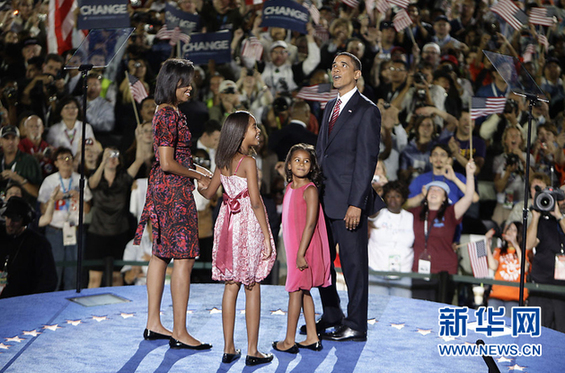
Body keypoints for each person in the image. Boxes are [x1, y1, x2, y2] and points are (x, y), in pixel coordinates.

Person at [133, 59, 212, 350]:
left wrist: (199, 170)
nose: (190, 87)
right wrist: (196, 175)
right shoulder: (168, 114)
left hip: (165, 188)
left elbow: (174, 158)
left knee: (161, 254)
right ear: (171, 84)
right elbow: (167, 163)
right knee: (184, 257)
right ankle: (179, 331)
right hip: (173, 192)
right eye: (184, 82)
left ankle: (154, 323)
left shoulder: (167, 111)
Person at [313, 52, 384, 342]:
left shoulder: (367, 110)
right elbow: (322, 153)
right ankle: (332, 313)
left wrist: (356, 203)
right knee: (321, 261)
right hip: (324, 200)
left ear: (357, 74)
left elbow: (366, 161)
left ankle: (356, 324)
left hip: (348, 204)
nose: (336, 70)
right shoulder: (329, 106)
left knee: (354, 266)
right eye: (333, 66)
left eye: (343, 66)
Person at [198, 111, 276, 366]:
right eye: (254, 127)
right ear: (241, 132)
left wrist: (199, 178)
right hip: (247, 226)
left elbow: (209, 193)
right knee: (251, 284)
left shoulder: (222, 160)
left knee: (231, 285)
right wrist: (266, 236)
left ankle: (229, 348)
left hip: (227, 226)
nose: (258, 131)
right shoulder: (249, 163)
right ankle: (253, 350)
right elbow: (254, 201)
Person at [273, 144, 331, 354]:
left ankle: (289, 340)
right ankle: (313, 337)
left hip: (304, 249)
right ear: (289, 164)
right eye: (297, 160)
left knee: (295, 291)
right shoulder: (289, 187)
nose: (301, 164)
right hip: (293, 248)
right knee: (304, 290)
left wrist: (300, 253)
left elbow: (310, 224)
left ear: (312, 167)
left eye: (306, 161)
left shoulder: (310, 190)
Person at [409, 160, 476, 303]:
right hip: (418, 271)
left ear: (445, 198)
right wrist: (420, 196)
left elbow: (469, 197)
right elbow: (401, 205)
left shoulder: (450, 213)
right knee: (417, 312)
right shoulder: (415, 213)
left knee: (439, 314)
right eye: (431, 189)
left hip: (444, 272)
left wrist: (469, 175)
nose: (433, 192)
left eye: (439, 190)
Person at [86, 145, 147, 288]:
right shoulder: (96, 178)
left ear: (119, 161)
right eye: (108, 156)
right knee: (95, 279)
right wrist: (102, 162)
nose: (112, 159)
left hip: (119, 233)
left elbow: (139, 160)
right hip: (97, 233)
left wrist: (139, 139)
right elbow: (92, 184)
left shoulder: (124, 178)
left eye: (115, 156)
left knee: (116, 279)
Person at [37, 147, 92, 290]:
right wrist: (54, 199)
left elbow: (87, 209)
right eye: (62, 158)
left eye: (69, 158)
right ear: (55, 163)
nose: (66, 161)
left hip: (75, 230)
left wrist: (79, 197)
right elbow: (42, 210)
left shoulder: (81, 179)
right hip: (55, 231)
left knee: (73, 273)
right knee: (54, 270)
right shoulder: (50, 181)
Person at [0, 196, 57, 298]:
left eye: (15, 219)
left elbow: (49, 280)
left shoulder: (38, 243)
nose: (9, 223)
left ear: (25, 220)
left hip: (24, 301)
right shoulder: (2, 236)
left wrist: (32, 301)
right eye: (7, 217)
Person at [525, 189, 565, 333]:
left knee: (561, 335)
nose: (556, 202)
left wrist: (559, 216)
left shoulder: (562, 219)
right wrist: (535, 217)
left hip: (562, 290)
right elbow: (528, 245)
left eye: (559, 199)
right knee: (538, 333)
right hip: (540, 287)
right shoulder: (542, 222)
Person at [368, 181, 414, 298]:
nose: (393, 199)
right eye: (389, 196)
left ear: (403, 198)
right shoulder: (378, 214)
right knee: (377, 311)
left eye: (397, 196)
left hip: (403, 275)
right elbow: (370, 212)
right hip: (376, 272)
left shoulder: (410, 217)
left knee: (401, 312)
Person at [484, 222, 527, 316]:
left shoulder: (526, 251)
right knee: (493, 324)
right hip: (496, 295)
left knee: (509, 326)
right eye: (509, 229)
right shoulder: (499, 251)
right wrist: (487, 244)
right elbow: (493, 266)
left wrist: (516, 244)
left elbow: (525, 267)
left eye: (514, 230)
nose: (510, 232)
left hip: (515, 297)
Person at [0, 125, 42, 201]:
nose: (10, 142)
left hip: (24, 208)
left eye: (13, 138)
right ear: (0, 141)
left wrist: (19, 179)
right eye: (6, 138)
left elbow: (39, 193)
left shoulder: (29, 161)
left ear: (18, 140)